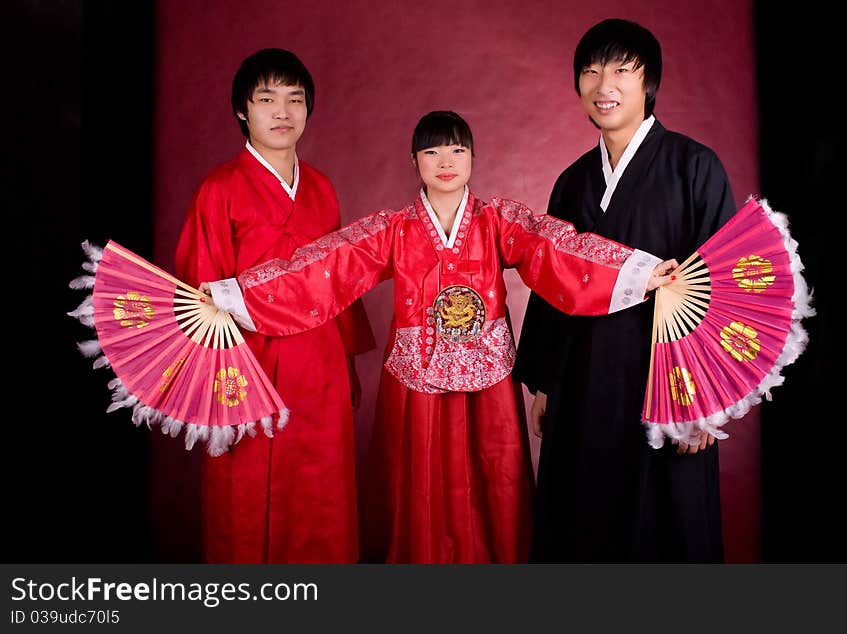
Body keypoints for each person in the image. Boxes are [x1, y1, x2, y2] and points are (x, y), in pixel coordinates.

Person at [206, 110, 677, 563]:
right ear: (414, 163)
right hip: (417, 385)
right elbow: (323, 265)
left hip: (487, 384)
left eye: (457, 150)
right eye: (432, 152)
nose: (446, 162)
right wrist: (232, 295)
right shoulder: (392, 230)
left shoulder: (498, 222)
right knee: (418, 484)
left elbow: (560, 248)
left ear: (473, 157)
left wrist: (642, 271)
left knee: (496, 475)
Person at [513, 18, 736, 563]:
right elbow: (551, 282)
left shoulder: (694, 167)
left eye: (620, 70)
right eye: (590, 72)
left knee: (666, 524)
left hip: (665, 384)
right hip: (584, 380)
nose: (603, 85)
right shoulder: (572, 181)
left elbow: (727, 284)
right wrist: (545, 382)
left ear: (648, 83)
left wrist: (703, 400)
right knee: (582, 523)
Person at [174, 48, 375, 563]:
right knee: (245, 498)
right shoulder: (218, 191)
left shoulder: (322, 189)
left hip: (321, 366)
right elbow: (196, 293)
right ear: (243, 109)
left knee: (321, 494)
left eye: (294, 99)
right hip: (246, 366)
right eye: (267, 99)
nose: (282, 111)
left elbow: (340, 283)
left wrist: (348, 365)